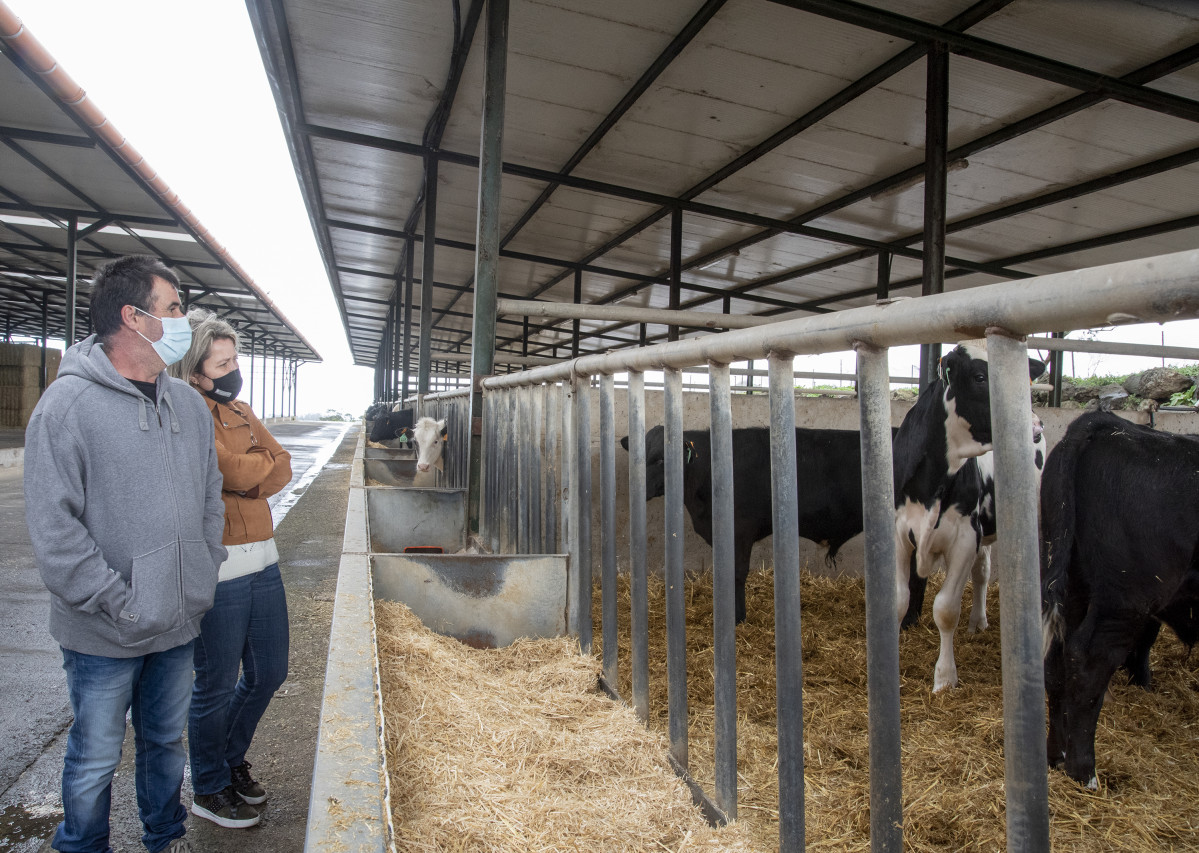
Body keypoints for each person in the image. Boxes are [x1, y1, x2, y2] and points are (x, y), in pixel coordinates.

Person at [25, 255, 227, 853]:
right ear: (131, 318)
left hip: (177, 621)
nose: (182, 321)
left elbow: (210, 494)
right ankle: (83, 846)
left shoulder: (187, 406)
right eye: (172, 309)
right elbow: (55, 532)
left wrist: (202, 569)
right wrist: (121, 603)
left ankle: (165, 837)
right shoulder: (66, 409)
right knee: (95, 755)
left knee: (166, 744)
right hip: (103, 633)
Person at [168, 308, 292, 829]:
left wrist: (246, 476)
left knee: (270, 671)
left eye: (236, 357)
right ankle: (210, 786)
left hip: (263, 557)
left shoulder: (240, 410)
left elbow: (280, 463)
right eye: (223, 362)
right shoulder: (186, 411)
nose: (234, 368)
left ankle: (228, 757)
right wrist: (246, 474)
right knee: (215, 682)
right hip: (217, 566)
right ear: (196, 371)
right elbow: (226, 467)